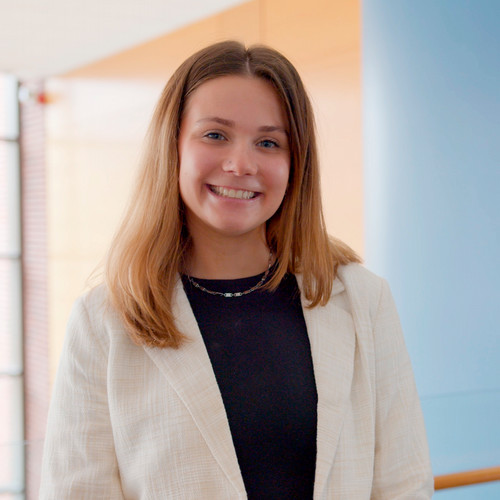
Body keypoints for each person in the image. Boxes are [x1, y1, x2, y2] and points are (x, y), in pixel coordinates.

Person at [40, 40, 433, 499]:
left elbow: (404, 483)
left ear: (296, 163)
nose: (241, 164)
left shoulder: (363, 299)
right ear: (173, 148)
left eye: (269, 142)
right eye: (215, 135)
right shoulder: (102, 320)